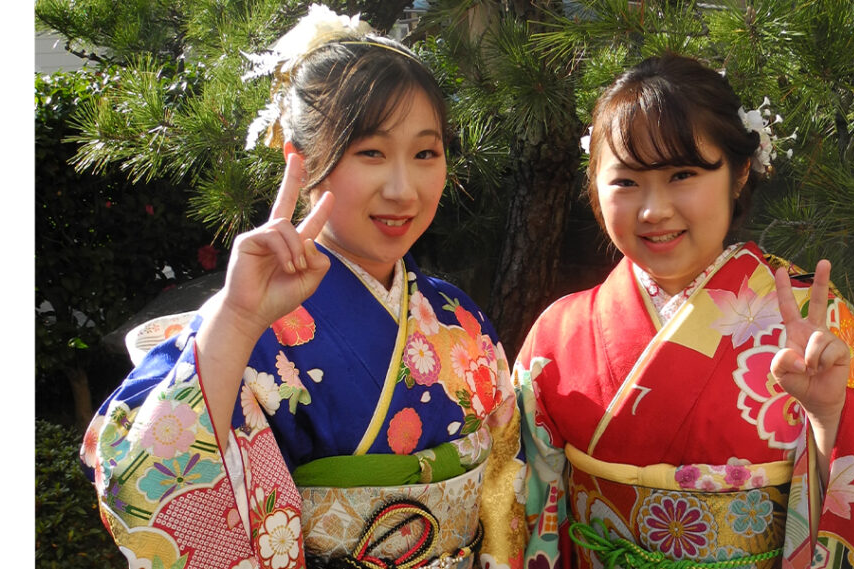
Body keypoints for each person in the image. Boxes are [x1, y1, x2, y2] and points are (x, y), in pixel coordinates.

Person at [79, 6, 524, 569]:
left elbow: (505, 478)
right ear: (304, 160)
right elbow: (142, 479)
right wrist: (238, 319)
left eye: (425, 153)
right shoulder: (246, 319)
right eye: (370, 152)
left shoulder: (458, 316)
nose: (403, 189)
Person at [515, 54, 854, 569]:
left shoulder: (814, 323)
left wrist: (831, 416)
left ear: (740, 174)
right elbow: (521, 500)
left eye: (682, 174)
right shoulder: (557, 333)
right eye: (626, 181)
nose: (653, 210)